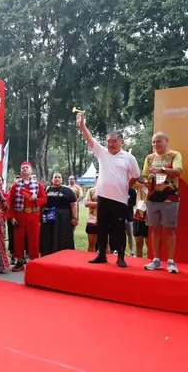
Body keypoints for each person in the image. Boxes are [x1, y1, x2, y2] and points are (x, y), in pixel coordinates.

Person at [76, 112, 140, 267]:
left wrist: (125, 186)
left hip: (119, 200)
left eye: (114, 141)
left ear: (121, 142)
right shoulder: (102, 152)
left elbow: (136, 176)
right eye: (108, 141)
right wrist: (82, 124)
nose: (110, 144)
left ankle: (121, 257)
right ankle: (102, 255)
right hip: (102, 198)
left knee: (119, 230)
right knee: (102, 227)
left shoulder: (129, 158)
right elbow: (89, 138)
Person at [141, 132, 183, 273]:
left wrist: (162, 169)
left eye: (158, 141)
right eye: (153, 142)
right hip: (152, 198)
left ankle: (171, 262)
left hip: (169, 197)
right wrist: (140, 182)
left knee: (169, 230)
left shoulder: (174, 155)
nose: (155, 144)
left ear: (166, 141)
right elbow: (145, 176)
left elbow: (178, 171)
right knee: (155, 229)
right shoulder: (149, 158)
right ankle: (156, 260)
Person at [6, 162, 48, 271]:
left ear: (31, 170)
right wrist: (12, 217)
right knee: (18, 238)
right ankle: (20, 262)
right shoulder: (15, 186)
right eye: (23, 168)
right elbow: (10, 202)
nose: (25, 169)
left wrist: (36, 200)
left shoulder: (38, 185)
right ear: (21, 171)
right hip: (19, 214)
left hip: (33, 215)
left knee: (34, 238)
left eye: (27, 167)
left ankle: (33, 261)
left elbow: (44, 199)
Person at [40, 173, 78, 256]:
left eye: (59, 177)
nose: (57, 179)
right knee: (47, 236)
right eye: (55, 177)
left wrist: (75, 217)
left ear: (62, 179)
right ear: (52, 180)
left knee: (62, 237)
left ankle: (64, 256)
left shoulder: (68, 191)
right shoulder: (47, 190)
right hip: (48, 217)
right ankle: (46, 256)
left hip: (63, 218)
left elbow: (74, 204)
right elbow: (42, 204)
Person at [131, 181, 150, 258]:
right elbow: (131, 180)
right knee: (139, 243)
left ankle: (151, 261)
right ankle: (139, 262)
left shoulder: (157, 186)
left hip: (150, 218)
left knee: (149, 244)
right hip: (138, 217)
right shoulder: (140, 185)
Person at [83, 174, 99, 252]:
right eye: (96, 177)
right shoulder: (91, 190)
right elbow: (86, 204)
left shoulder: (108, 190)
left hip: (105, 219)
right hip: (92, 219)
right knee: (91, 243)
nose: (98, 178)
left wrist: (93, 203)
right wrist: (100, 204)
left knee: (106, 244)